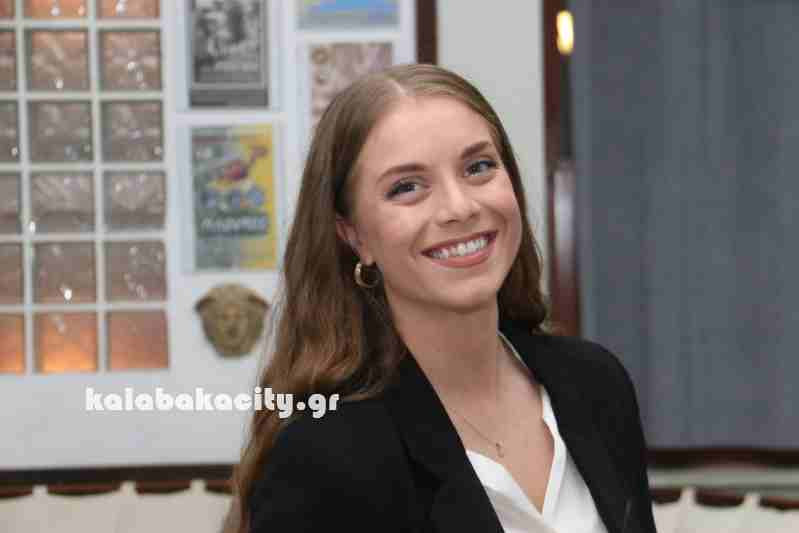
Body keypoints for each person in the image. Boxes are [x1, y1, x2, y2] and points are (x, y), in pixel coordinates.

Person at [234, 64, 657, 533]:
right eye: (407, 187)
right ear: (354, 236)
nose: (460, 207)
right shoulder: (322, 455)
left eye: (478, 167)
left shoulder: (596, 385)